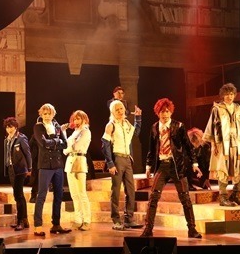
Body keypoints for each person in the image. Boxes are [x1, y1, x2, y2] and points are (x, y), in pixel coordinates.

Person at [142, 98, 202, 239]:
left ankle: (192, 229)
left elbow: (188, 146)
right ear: (158, 113)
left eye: (167, 111)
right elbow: (151, 148)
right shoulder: (154, 127)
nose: (165, 114)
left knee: (185, 198)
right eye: (162, 111)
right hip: (162, 166)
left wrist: (194, 163)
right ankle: (148, 229)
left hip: (177, 166)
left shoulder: (179, 126)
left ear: (171, 112)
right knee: (153, 197)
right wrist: (148, 166)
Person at [203, 83, 240, 207]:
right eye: (226, 94)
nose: (229, 96)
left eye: (231, 94)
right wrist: (214, 145)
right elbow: (212, 127)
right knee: (223, 170)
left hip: (237, 143)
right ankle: (223, 197)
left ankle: (235, 195)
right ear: (222, 96)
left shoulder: (239, 108)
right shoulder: (217, 109)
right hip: (222, 144)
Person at [101, 99, 142, 230]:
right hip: (117, 159)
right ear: (112, 112)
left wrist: (138, 118)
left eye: (121, 108)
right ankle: (116, 220)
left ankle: (129, 219)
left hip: (127, 159)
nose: (120, 111)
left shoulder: (127, 123)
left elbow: (136, 133)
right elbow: (105, 145)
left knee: (130, 190)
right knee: (116, 191)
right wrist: (110, 163)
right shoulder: (111, 125)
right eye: (117, 109)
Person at [33, 103, 72, 236]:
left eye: (49, 113)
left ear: (53, 114)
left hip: (58, 165)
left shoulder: (57, 126)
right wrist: (56, 141)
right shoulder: (38, 127)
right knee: (42, 195)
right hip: (45, 165)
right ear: (41, 114)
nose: (47, 116)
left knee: (59, 195)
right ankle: (38, 225)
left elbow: (65, 144)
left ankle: (56, 224)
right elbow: (43, 143)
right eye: (44, 114)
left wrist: (54, 142)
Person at [62, 110, 92, 231]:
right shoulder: (75, 132)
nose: (76, 121)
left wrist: (66, 150)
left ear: (84, 119)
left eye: (78, 118)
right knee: (74, 194)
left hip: (79, 160)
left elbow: (76, 146)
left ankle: (87, 220)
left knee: (82, 193)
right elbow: (67, 145)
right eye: (74, 119)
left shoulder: (86, 131)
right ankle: (78, 219)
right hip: (70, 161)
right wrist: (63, 132)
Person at [3, 116, 32, 231]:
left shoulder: (21, 138)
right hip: (11, 169)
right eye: (7, 127)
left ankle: (21, 221)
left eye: (11, 127)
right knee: (18, 196)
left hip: (20, 170)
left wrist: (29, 168)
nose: (9, 129)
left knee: (18, 195)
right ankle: (24, 220)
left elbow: (28, 154)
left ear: (16, 127)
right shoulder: (6, 140)